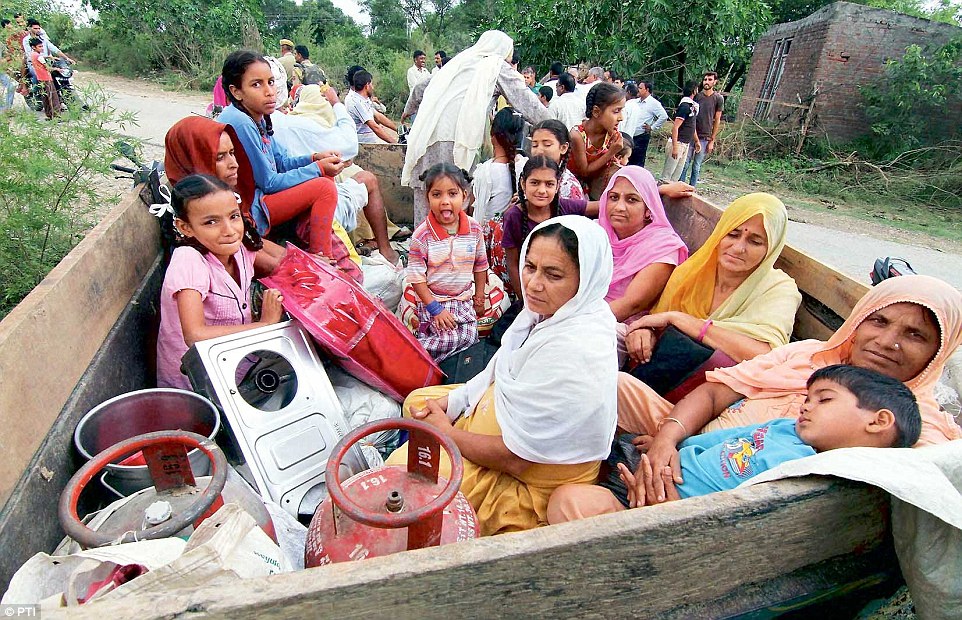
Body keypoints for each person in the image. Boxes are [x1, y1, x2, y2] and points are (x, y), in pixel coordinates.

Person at [387, 216, 618, 535]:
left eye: (553, 274)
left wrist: (447, 433)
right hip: (498, 430)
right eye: (531, 266)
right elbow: (501, 366)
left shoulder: (576, 350)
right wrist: (453, 402)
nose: (534, 283)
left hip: (526, 480)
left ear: (586, 281)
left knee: (403, 479)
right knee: (419, 401)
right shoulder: (551, 312)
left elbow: (516, 459)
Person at [549, 364, 923, 520]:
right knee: (574, 436)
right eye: (808, 399)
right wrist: (668, 446)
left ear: (879, 421)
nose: (806, 408)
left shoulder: (806, 472)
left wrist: (664, 506)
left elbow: (734, 512)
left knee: (569, 501)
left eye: (824, 400)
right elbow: (714, 441)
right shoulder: (782, 428)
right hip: (655, 467)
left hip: (663, 511)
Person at [164, 116, 363, 283]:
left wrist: (309, 261)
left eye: (232, 154)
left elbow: (253, 241)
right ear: (194, 159)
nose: (234, 164)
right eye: (219, 157)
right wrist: (309, 266)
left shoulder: (223, 197)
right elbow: (252, 251)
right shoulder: (197, 215)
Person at [625, 192, 801, 376]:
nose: (738, 248)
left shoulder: (779, 290)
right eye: (732, 234)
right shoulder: (691, 272)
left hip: (716, 391)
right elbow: (657, 319)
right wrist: (645, 331)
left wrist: (684, 321)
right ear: (719, 234)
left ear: (771, 249)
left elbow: (766, 354)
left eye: (755, 242)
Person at [401, 30, 549, 224]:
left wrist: (407, 111)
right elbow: (528, 104)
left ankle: (422, 248)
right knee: (454, 196)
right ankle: (454, 248)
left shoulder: (458, 62)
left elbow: (420, 88)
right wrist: (555, 127)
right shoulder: (496, 67)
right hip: (458, 139)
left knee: (428, 195)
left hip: (426, 135)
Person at [156, 174, 287, 390]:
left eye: (233, 216)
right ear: (185, 227)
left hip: (236, 362)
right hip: (197, 382)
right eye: (211, 222)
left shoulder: (240, 247)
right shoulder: (188, 260)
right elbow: (194, 335)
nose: (229, 230)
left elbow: (281, 260)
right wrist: (264, 325)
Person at [217, 50, 343, 260]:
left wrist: (314, 158)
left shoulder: (257, 117)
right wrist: (317, 169)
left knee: (323, 177)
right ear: (236, 91)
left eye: (271, 82)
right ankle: (322, 258)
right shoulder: (240, 122)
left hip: (263, 197)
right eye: (256, 84)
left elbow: (281, 162)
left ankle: (311, 245)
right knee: (324, 188)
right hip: (250, 208)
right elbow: (269, 182)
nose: (269, 91)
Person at [405, 164, 489, 362]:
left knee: (471, 336)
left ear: (464, 195)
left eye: (452, 194)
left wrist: (479, 298)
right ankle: (413, 349)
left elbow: (480, 265)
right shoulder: (422, 235)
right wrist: (435, 309)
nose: (445, 202)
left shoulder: (474, 229)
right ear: (427, 198)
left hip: (462, 299)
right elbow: (416, 277)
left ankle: (438, 359)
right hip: (434, 300)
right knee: (450, 338)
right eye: (437, 195)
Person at [598, 166, 688, 323]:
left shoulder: (663, 248)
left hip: (620, 327)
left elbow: (632, 304)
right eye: (613, 197)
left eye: (631, 200)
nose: (619, 207)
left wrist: (573, 324)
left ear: (648, 209)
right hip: (581, 313)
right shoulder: (598, 233)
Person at [500, 156, 596, 296]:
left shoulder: (564, 207)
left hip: (560, 286)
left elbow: (604, 207)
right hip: (531, 287)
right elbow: (513, 264)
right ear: (522, 183)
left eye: (549, 184)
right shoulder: (514, 216)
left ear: (558, 186)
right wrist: (524, 300)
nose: (542, 190)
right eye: (535, 183)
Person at [469, 108, 527, 294]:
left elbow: (475, 211)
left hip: (489, 241)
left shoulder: (485, 172)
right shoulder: (526, 166)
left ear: (493, 136)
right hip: (517, 236)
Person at [569, 82, 626, 199]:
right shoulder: (578, 135)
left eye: (622, 111)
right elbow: (584, 171)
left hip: (596, 190)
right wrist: (611, 152)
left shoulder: (611, 134)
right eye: (616, 111)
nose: (621, 118)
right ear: (596, 112)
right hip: (573, 191)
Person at [680, 71, 725, 187]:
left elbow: (717, 120)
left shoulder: (718, 99)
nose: (707, 82)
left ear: (715, 82)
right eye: (705, 79)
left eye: (710, 80)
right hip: (691, 134)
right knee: (685, 163)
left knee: (696, 166)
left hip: (705, 137)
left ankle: (691, 189)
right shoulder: (697, 96)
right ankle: (680, 186)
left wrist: (712, 140)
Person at [529, 119, 584, 201]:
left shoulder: (569, 185)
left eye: (547, 145)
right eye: (535, 145)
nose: (539, 150)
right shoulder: (529, 174)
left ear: (563, 148)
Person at [661, 80, 699, 183]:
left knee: (675, 176)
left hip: (685, 143)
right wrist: (675, 147)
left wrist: (696, 141)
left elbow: (691, 126)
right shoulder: (685, 106)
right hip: (678, 143)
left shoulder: (693, 107)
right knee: (667, 176)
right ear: (694, 90)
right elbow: (675, 127)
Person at [346, 70, 398, 144]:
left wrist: (398, 129)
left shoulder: (364, 100)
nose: (373, 88)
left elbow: (378, 116)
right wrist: (396, 144)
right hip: (361, 146)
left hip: (369, 143)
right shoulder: (356, 102)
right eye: (371, 84)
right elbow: (375, 127)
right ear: (367, 85)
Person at [627, 81, 668, 167]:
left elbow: (663, 116)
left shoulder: (653, 103)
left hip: (641, 136)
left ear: (647, 90)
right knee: (628, 159)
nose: (638, 90)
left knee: (638, 161)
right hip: (631, 135)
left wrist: (652, 127)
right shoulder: (635, 102)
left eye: (640, 88)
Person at [27, 37, 58, 119]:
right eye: (40, 46)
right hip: (46, 78)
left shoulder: (32, 54)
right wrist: (58, 69)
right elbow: (48, 68)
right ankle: (56, 116)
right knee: (53, 97)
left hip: (40, 79)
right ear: (34, 47)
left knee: (45, 97)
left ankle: (49, 115)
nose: (42, 48)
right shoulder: (39, 56)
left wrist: (49, 57)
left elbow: (40, 59)